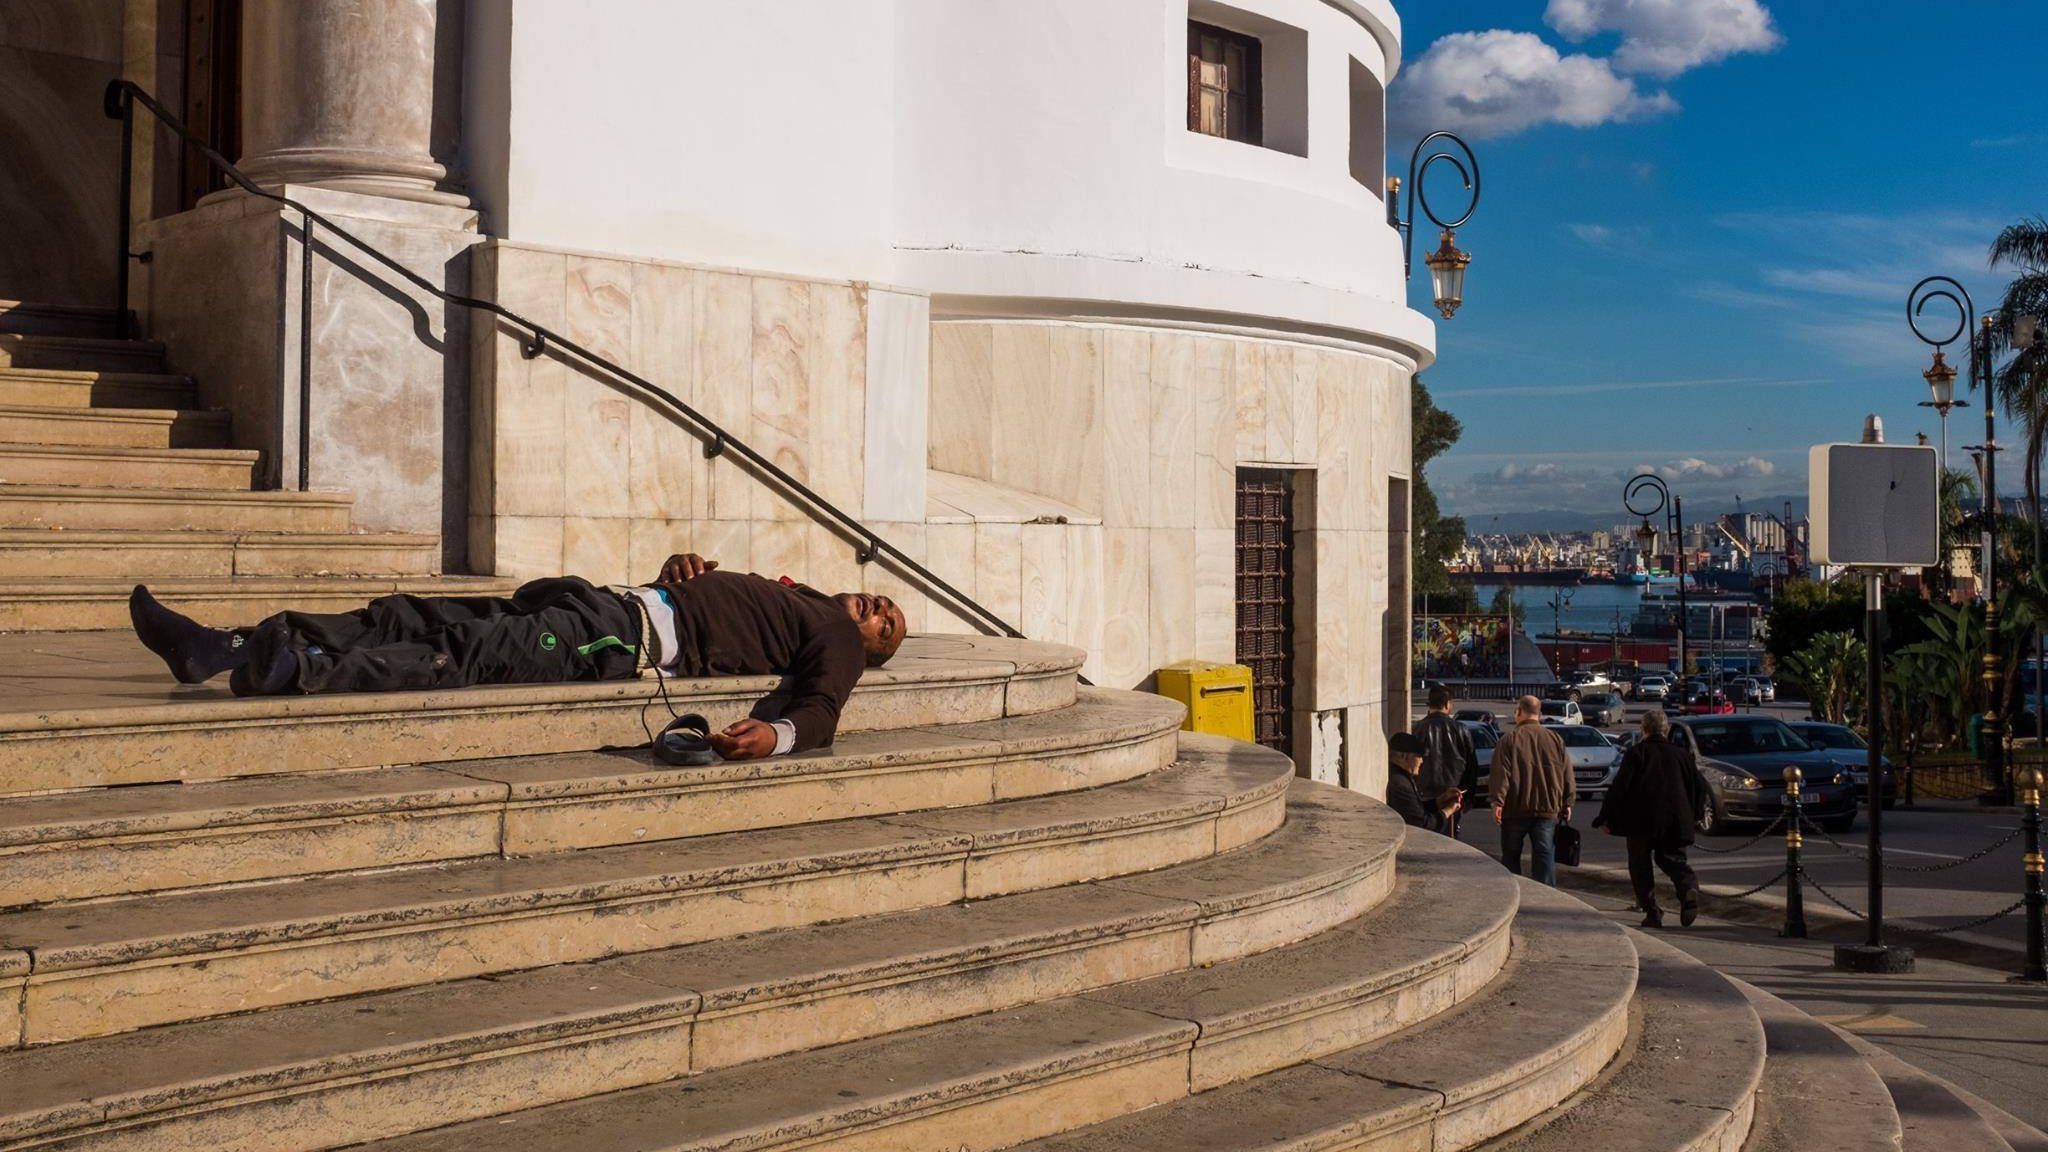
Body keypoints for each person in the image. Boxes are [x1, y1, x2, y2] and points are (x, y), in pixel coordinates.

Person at [126, 553, 906, 761]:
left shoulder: (836, 641)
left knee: (454, 652)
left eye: (888, 627)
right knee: (411, 612)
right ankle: (230, 644)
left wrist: (777, 736)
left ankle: (288, 668)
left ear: (870, 650)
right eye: (882, 602)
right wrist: (682, 566)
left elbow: (822, 709)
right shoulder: (805, 598)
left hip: (615, 639)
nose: (877, 611)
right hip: (603, 604)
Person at [1594, 709, 1705, 928]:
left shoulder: (1637, 753)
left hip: (1641, 821)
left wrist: (1605, 818)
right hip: (1675, 819)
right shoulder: (1681, 754)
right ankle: (1688, 888)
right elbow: (1698, 787)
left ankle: (1652, 911)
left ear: (1643, 730)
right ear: (1667, 729)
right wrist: (1696, 815)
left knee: (1640, 866)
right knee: (1673, 859)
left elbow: (1620, 788)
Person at [1489, 694, 1574, 886]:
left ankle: (1514, 892)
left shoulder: (1509, 740)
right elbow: (1567, 772)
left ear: (1519, 712)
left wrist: (1497, 802)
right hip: (1547, 808)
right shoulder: (1555, 739)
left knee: (1511, 856)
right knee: (1544, 855)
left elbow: (1501, 774)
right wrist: (1568, 802)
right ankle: (1546, 894)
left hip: (1515, 808)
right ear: (1540, 714)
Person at [1413, 685, 1476, 833]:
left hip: (1424, 795)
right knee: (1450, 835)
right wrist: (1469, 796)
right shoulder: (1461, 729)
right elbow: (1472, 765)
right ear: (1447, 704)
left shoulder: (1418, 728)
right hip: (1453, 795)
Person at [1386, 731, 1461, 834]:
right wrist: (1448, 810)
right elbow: (1422, 824)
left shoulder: (1402, 777)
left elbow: (1416, 809)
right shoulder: (1400, 783)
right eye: (1419, 756)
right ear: (1404, 756)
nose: (1422, 761)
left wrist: (1440, 801)